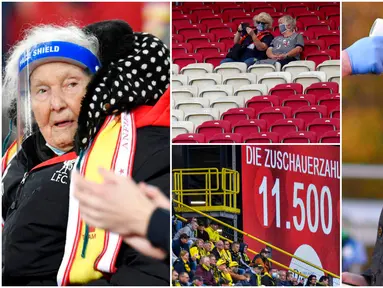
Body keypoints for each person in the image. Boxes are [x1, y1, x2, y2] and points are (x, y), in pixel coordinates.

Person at [2, 20, 170, 286]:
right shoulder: (16, 161)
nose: (57, 104)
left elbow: (153, 273)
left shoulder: (145, 151)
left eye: (71, 84)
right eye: (42, 91)